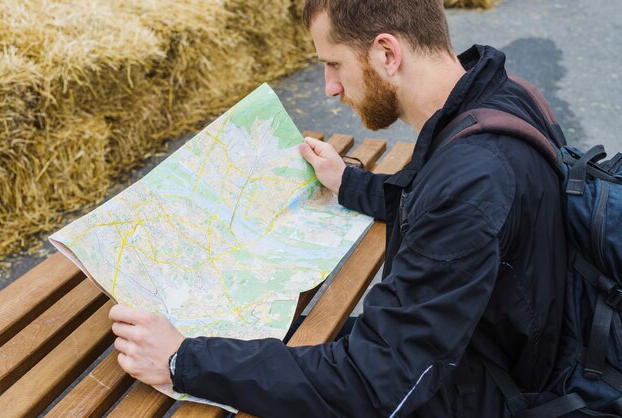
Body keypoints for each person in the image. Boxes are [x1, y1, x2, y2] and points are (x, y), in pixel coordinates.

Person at [108, 0, 567, 416]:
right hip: (499, 347)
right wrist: (350, 183)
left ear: (387, 53)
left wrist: (180, 360)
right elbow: (447, 210)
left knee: (260, 352)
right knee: (275, 338)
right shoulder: (498, 96)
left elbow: (376, 382)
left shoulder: (470, 178)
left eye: (333, 64)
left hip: (489, 390)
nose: (329, 88)